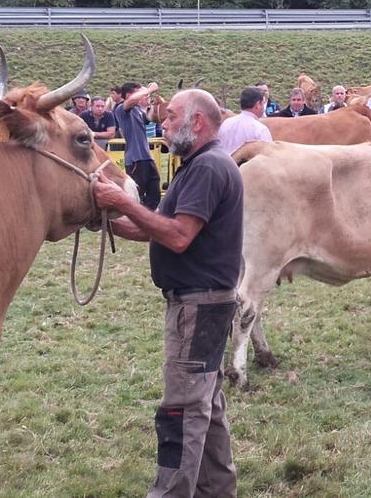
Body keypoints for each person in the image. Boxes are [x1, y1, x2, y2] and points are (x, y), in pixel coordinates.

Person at [91, 89, 242, 498]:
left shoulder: (208, 167)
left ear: (197, 122)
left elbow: (177, 237)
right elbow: (153, 226)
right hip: (208, 302)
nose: (163, 121)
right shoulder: (199, 165)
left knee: (181, 411)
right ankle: (217, 490)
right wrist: (102, 219)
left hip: (198, 305)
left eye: (172, 115)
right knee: (205, 406)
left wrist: (121, 199)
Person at [116, 81, 162, 210]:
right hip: (135, 160)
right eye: (140, 93)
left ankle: (150, 221)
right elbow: (132, 101)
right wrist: (149, 90)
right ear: (129, 94)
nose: (144, 96)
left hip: (147, 158)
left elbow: (152, 118)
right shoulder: (121, 109)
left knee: (154, 195)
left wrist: (158, 106)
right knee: (137, 197)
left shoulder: (137, 111)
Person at [218, 86, 273, 155]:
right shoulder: (260, 129)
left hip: (224, 164)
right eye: (262, 103)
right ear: (258, 105)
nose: (263, 107)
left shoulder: (226, 123)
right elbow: (268, 155)